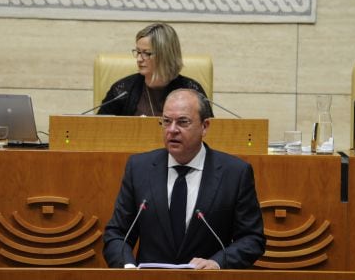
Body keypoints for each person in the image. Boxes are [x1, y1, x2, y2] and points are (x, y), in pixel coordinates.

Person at [103, 89, 265, 269]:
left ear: (205, 126)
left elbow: (252, 239)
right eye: (166, 121)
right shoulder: (139, 168)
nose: (172, 130)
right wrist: (128, 267)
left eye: (182, 122)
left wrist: (218, 263)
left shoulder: (235, 173)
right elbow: (117, 234)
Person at [98, 23, 212, 117]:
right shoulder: (122, 91)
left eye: (146, 53)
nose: (139, 59)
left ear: (166, 55)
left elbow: (209, 130)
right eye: (138, 52)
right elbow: (97, 128)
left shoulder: (192, 91)